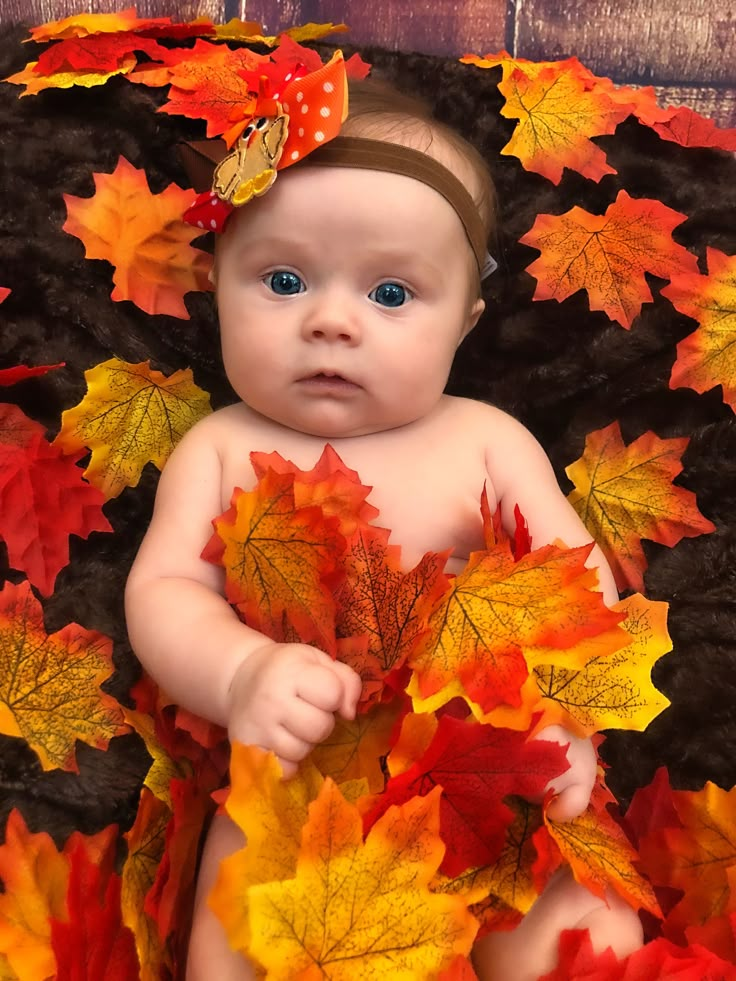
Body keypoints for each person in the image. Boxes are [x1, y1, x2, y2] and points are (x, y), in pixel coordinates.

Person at [125, 66, 644, 980]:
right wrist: (243, 672)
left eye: (392, 295)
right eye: (282, 279)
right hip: (297, 778)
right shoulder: (217, 446)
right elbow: (165, 590)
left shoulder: (488, 439)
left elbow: (580, 588)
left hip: (489, 774)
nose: (331, 321)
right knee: (232, 938)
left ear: (466, 323)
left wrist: (567, 726)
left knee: (578, 931)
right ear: (217, 289)